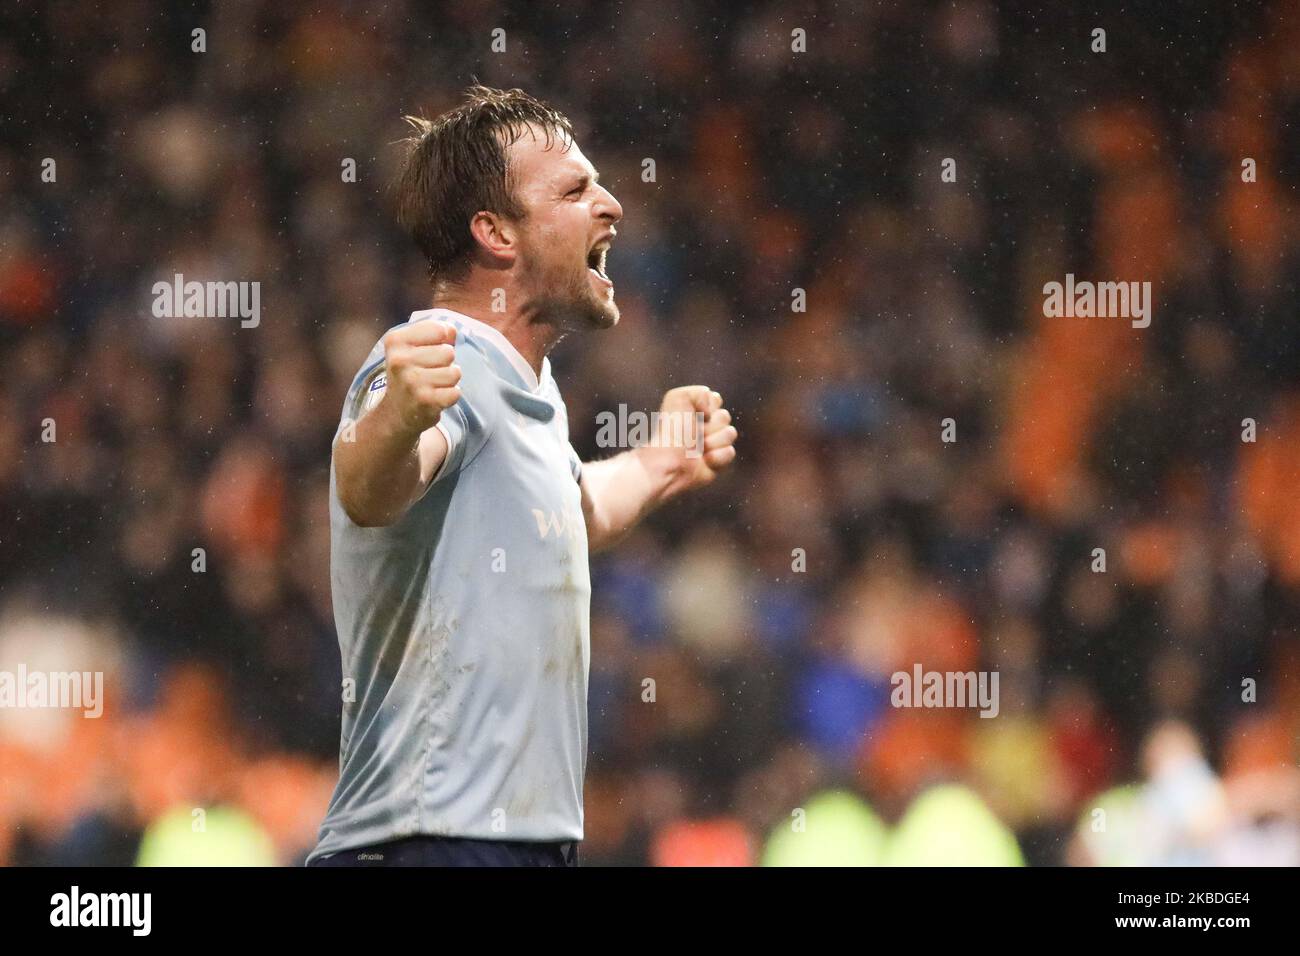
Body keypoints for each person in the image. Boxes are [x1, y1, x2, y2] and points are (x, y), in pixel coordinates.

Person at [307, 86, 738, 866]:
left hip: (509, 842)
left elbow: (576, 507)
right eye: (574, 191)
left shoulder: (525, 386)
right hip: (429, 839)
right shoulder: (445, 355)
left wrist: (657, 461)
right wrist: (397, 417)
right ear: (495, 234)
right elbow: (371, 489)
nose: (610, 205)